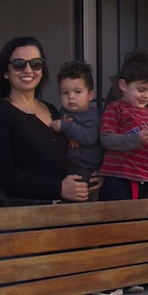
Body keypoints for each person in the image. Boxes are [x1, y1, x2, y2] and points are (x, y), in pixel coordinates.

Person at [0, 37, 90, 204]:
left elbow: (70, 155)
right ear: (6, 72)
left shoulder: (52, 109)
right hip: (24, 217)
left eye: (35, 63)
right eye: (19, 64)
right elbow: (3, 176)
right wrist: (59, 189)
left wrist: (91, 178)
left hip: (64, 214)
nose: (28, 69)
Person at [99, 50, 148, 201]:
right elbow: (106, 138)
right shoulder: (115, 108)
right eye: (141, 90)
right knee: (119, 223)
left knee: (144, 224)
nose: (146, 96)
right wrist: (135, 139)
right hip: (120, 177)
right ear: (123, 85)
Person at [51, 61, 103, 201]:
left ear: (90, 94)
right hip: (67, 166)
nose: (71, 97)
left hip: (86, 169)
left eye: (78, 92)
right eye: (65, 93)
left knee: (82, 205)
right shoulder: (62, 112)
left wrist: (66, 126)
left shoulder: (93, 116)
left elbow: (90, 137)